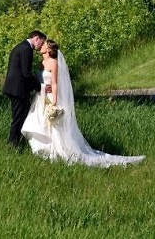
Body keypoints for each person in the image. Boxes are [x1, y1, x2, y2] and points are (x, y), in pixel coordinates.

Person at [21, 39, 145, 168]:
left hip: (50, 98)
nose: (41, 46)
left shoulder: (53, 63)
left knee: (53, 126)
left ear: (49, 49)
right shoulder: (42, 63)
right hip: (41, 97)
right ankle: (43, 150)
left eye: (44, 45)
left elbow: (55, 83)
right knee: (39, 123)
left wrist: (54, 102)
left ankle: (57, 151)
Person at [1, 31, 47, 149]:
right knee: (19, 117)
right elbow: (26, 73)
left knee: (21, 115)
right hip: (18, 89)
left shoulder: (21, 46)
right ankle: (13, 143)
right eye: (41, 43)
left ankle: (17, 142)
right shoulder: (26, 49)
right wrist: (38, 87)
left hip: (14, 88)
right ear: (37, 38)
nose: (41, 46)